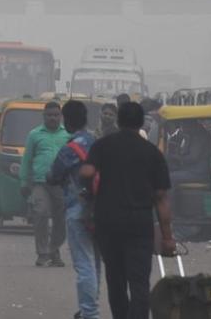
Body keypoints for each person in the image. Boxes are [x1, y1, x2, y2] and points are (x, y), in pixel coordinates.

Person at [80, 102, 176, 319]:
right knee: (139, 281)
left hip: (108, 222)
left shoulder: (103, 145)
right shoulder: (152, 153)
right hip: (139, 224)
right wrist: (168, 238)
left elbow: (86, 172)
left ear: (118, 120)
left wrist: (91, 191)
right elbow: (161, 198)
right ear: (141, 122)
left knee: (116, 280)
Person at [48, 101, 101, 319]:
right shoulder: (97, 143)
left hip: (77, 209)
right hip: (99, 209)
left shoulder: (70, 149)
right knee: (95, 261)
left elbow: (52, 175)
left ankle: (90, 313)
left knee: (83, 265)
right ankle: (90, 308)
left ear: (66, 120)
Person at [20, 101, 70, 267]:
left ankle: (54, 251)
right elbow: (26, 160)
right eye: (49, 115)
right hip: (40, 183)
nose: (53, 118)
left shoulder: (67, 135)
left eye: (56, 115)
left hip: (62, 184)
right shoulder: (34, 135)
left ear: (60, 116)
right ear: (44, 116)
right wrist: (23, 182)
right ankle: (42, 253)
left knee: (61, 220)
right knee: (40, 213)